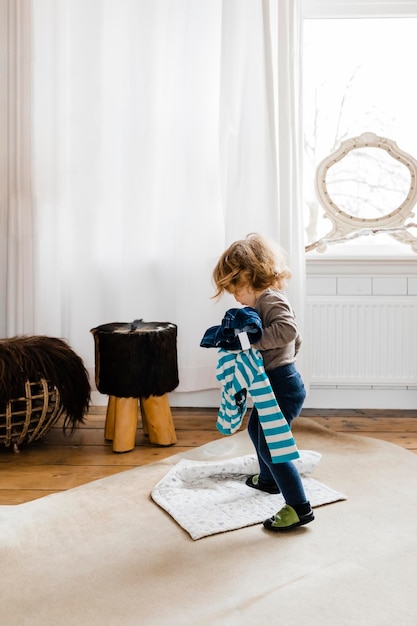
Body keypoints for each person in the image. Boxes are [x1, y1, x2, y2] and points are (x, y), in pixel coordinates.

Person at [212, 233, 314, 531]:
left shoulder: (270, 299)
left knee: (273, 446)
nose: (235, 297)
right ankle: (269, 480)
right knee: (257, 430)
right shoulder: (263, 302)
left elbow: (288, 331)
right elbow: (295, 340)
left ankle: (299, 507)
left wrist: (251, 344)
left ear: (251, 276)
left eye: (236, 289)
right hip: (276, 381)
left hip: (283, 384)